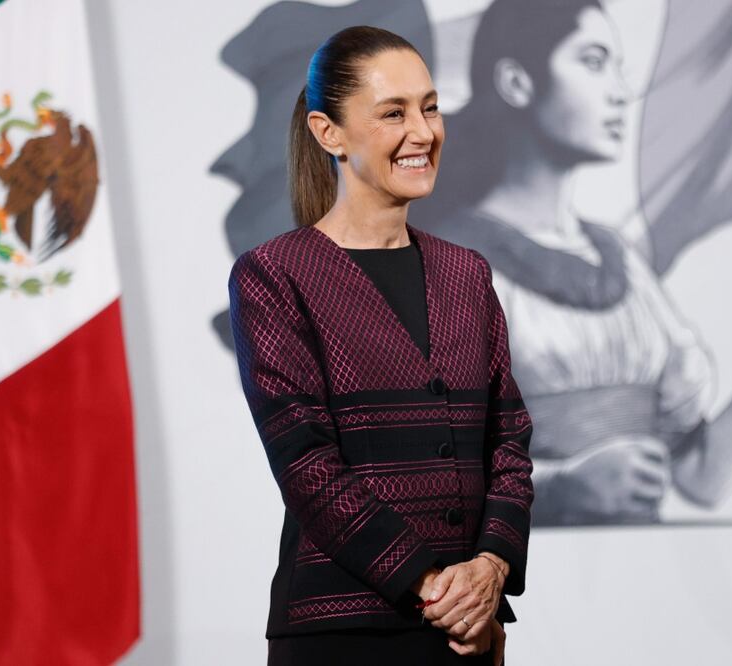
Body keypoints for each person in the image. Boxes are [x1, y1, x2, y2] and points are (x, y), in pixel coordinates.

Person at [411, 0, 732, 525]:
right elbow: (413, 479)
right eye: (592, 61)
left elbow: (700, 478)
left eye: (618, 67)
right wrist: (561, 487)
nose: (619, 91)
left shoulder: (624, 266)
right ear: (517, 82)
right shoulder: (445, 266)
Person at [227, 26, 532, 665]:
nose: (422, 131)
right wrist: (432, 588)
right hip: (342, 637)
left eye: (430, 106)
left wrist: (490, 567)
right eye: (393, 112)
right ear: (328, 132)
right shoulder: (274, 276)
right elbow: (308, 466)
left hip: (465, 638)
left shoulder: (466, 272)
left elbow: (508, 441)